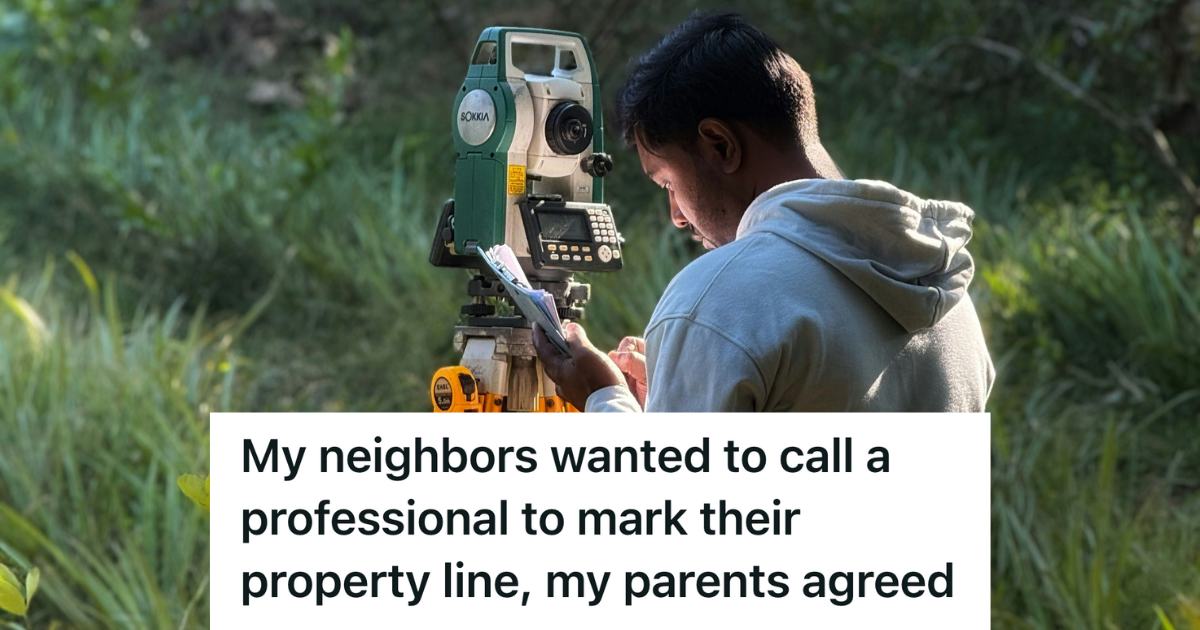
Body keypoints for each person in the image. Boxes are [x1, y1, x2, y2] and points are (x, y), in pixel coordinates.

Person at [532, 12, 994, 412]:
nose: (676, 216)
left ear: (720, 145)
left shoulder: (718, 303)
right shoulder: (949, 299)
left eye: (669, 184)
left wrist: (602, 396)